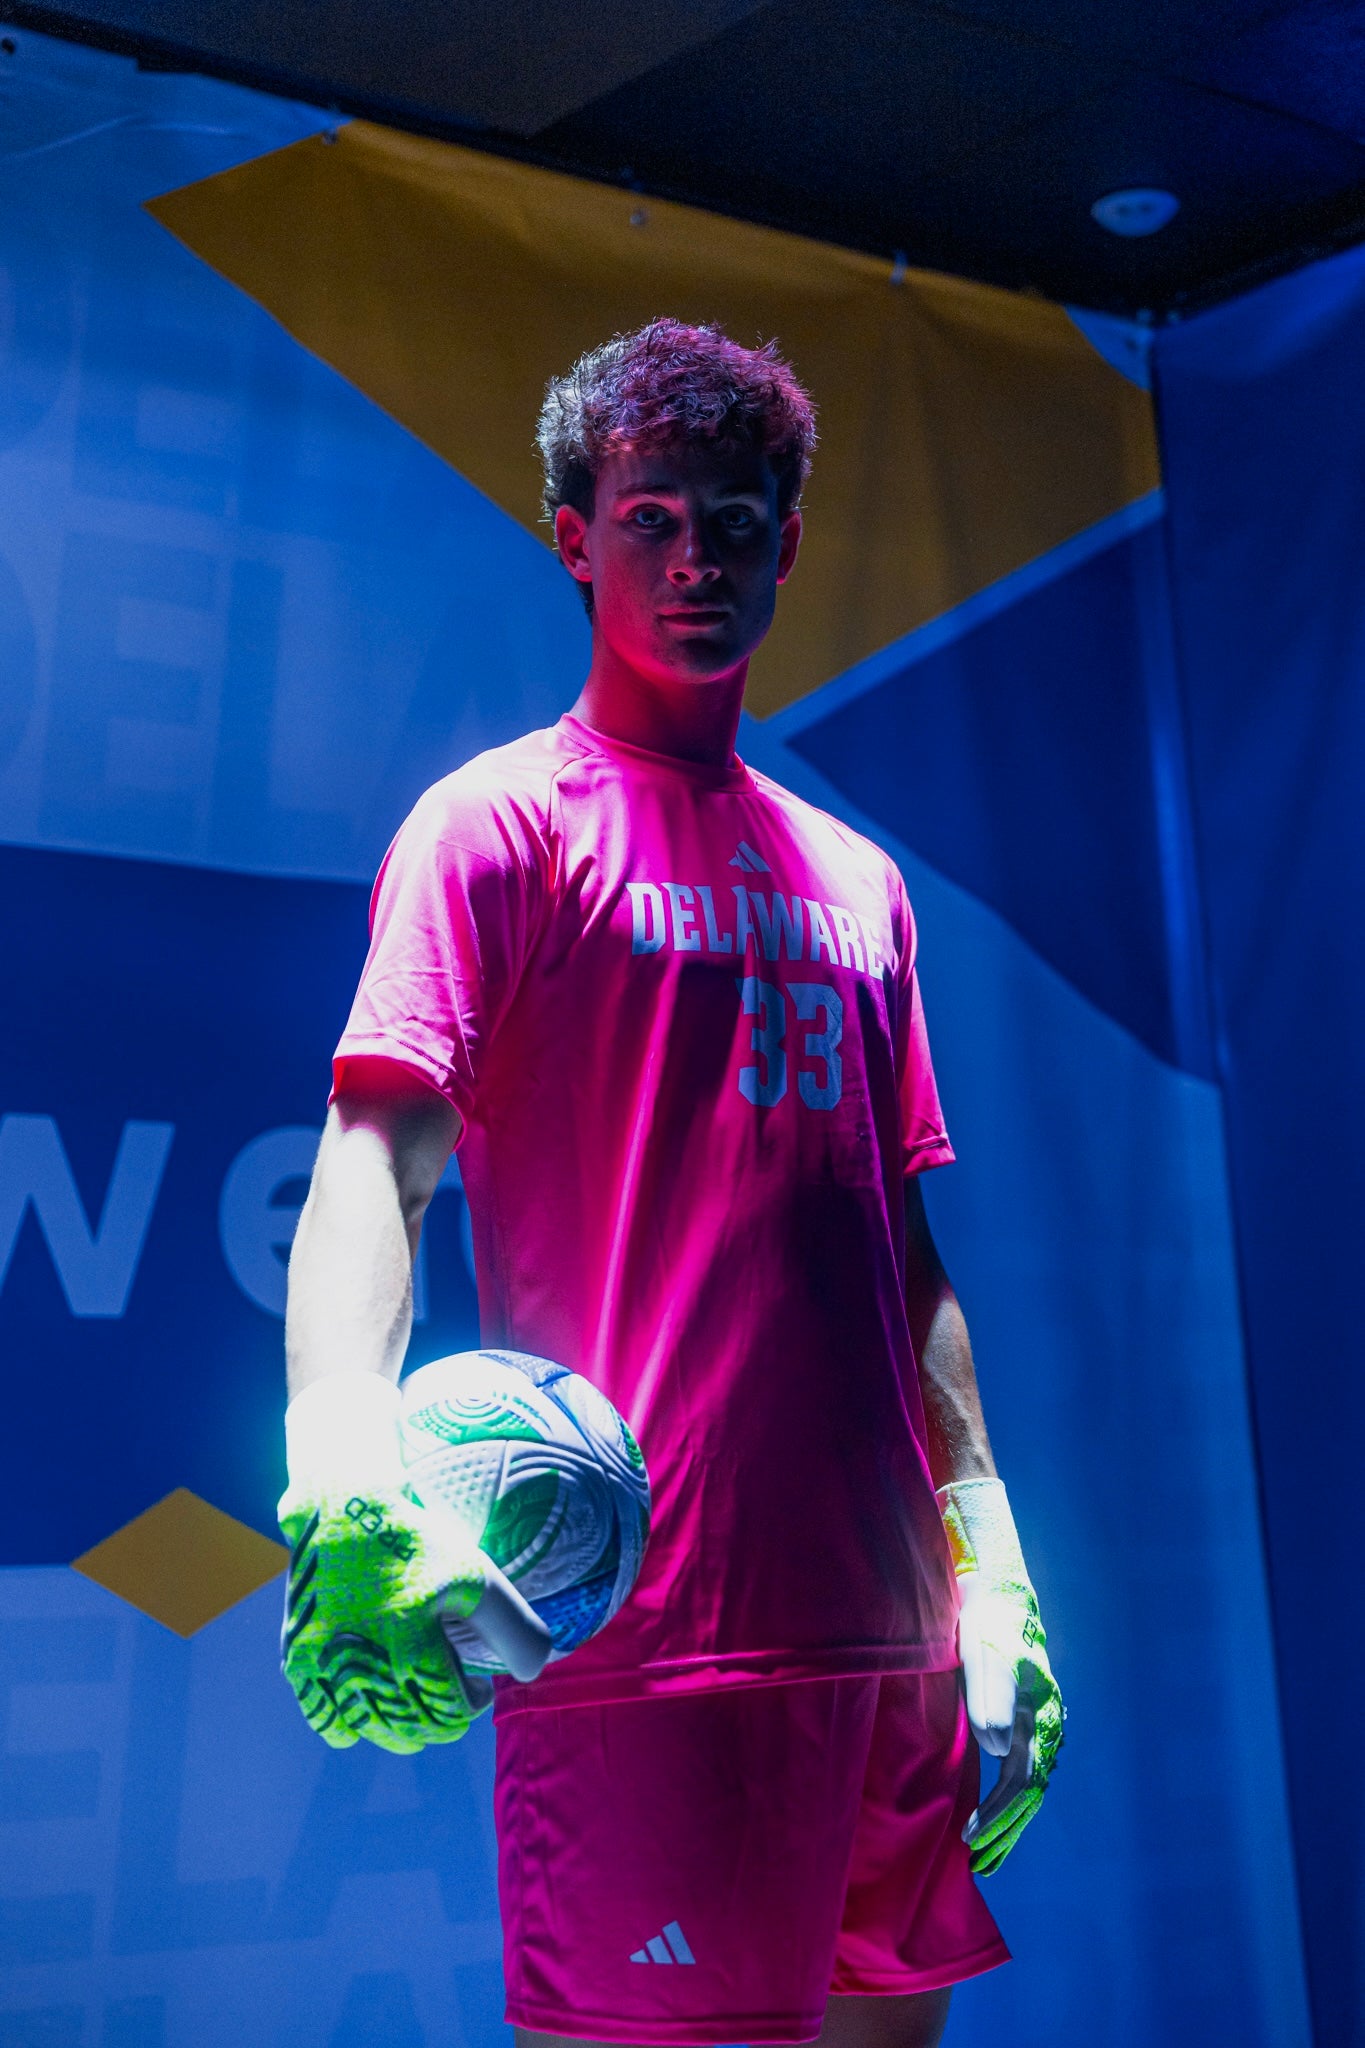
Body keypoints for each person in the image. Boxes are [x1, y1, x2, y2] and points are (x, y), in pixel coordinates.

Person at [279, 319, 1063, 2048]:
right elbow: (373, 1160)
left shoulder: (858, 882)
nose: (695, 557)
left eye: (733, 518)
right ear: (575, 537)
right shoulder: (495, 828)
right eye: (650, 518)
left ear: (787, 540)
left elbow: (904, 1253)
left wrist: (989, 1552)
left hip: (890, 1632)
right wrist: (340, 1461)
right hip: (648, 1638)